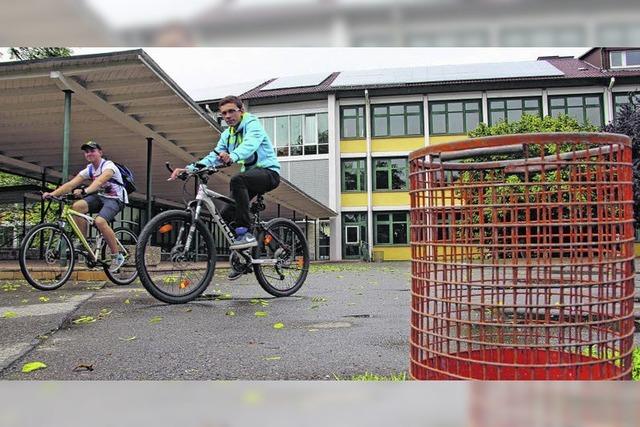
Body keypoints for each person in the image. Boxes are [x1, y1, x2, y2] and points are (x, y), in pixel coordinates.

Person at [169, 95, 281, 280]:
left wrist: (233, 156)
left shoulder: (252, 124)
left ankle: (245, 234)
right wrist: (189, 169)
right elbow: (212, 156)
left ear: (241, 111)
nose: (227, 116)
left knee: (237, 180)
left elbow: (250, 145)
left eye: (231, 111)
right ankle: (241, 259)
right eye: (223, 114)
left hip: (268, 173)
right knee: (227, 212)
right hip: (251, 177)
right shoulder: (226, 135)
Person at [42, 141, 129, 272]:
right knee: (76, 207)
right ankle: (84, 243)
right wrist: (52, 194)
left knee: (100, 221)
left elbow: (99, 182)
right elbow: (70, 184)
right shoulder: (89, 169)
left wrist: (84, 191)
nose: (89, 153)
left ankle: (117, 256)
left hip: (116, 198)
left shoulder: (108, 166)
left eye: (92, 150)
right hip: (100, 197)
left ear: (100, 152)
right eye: (86, 151)